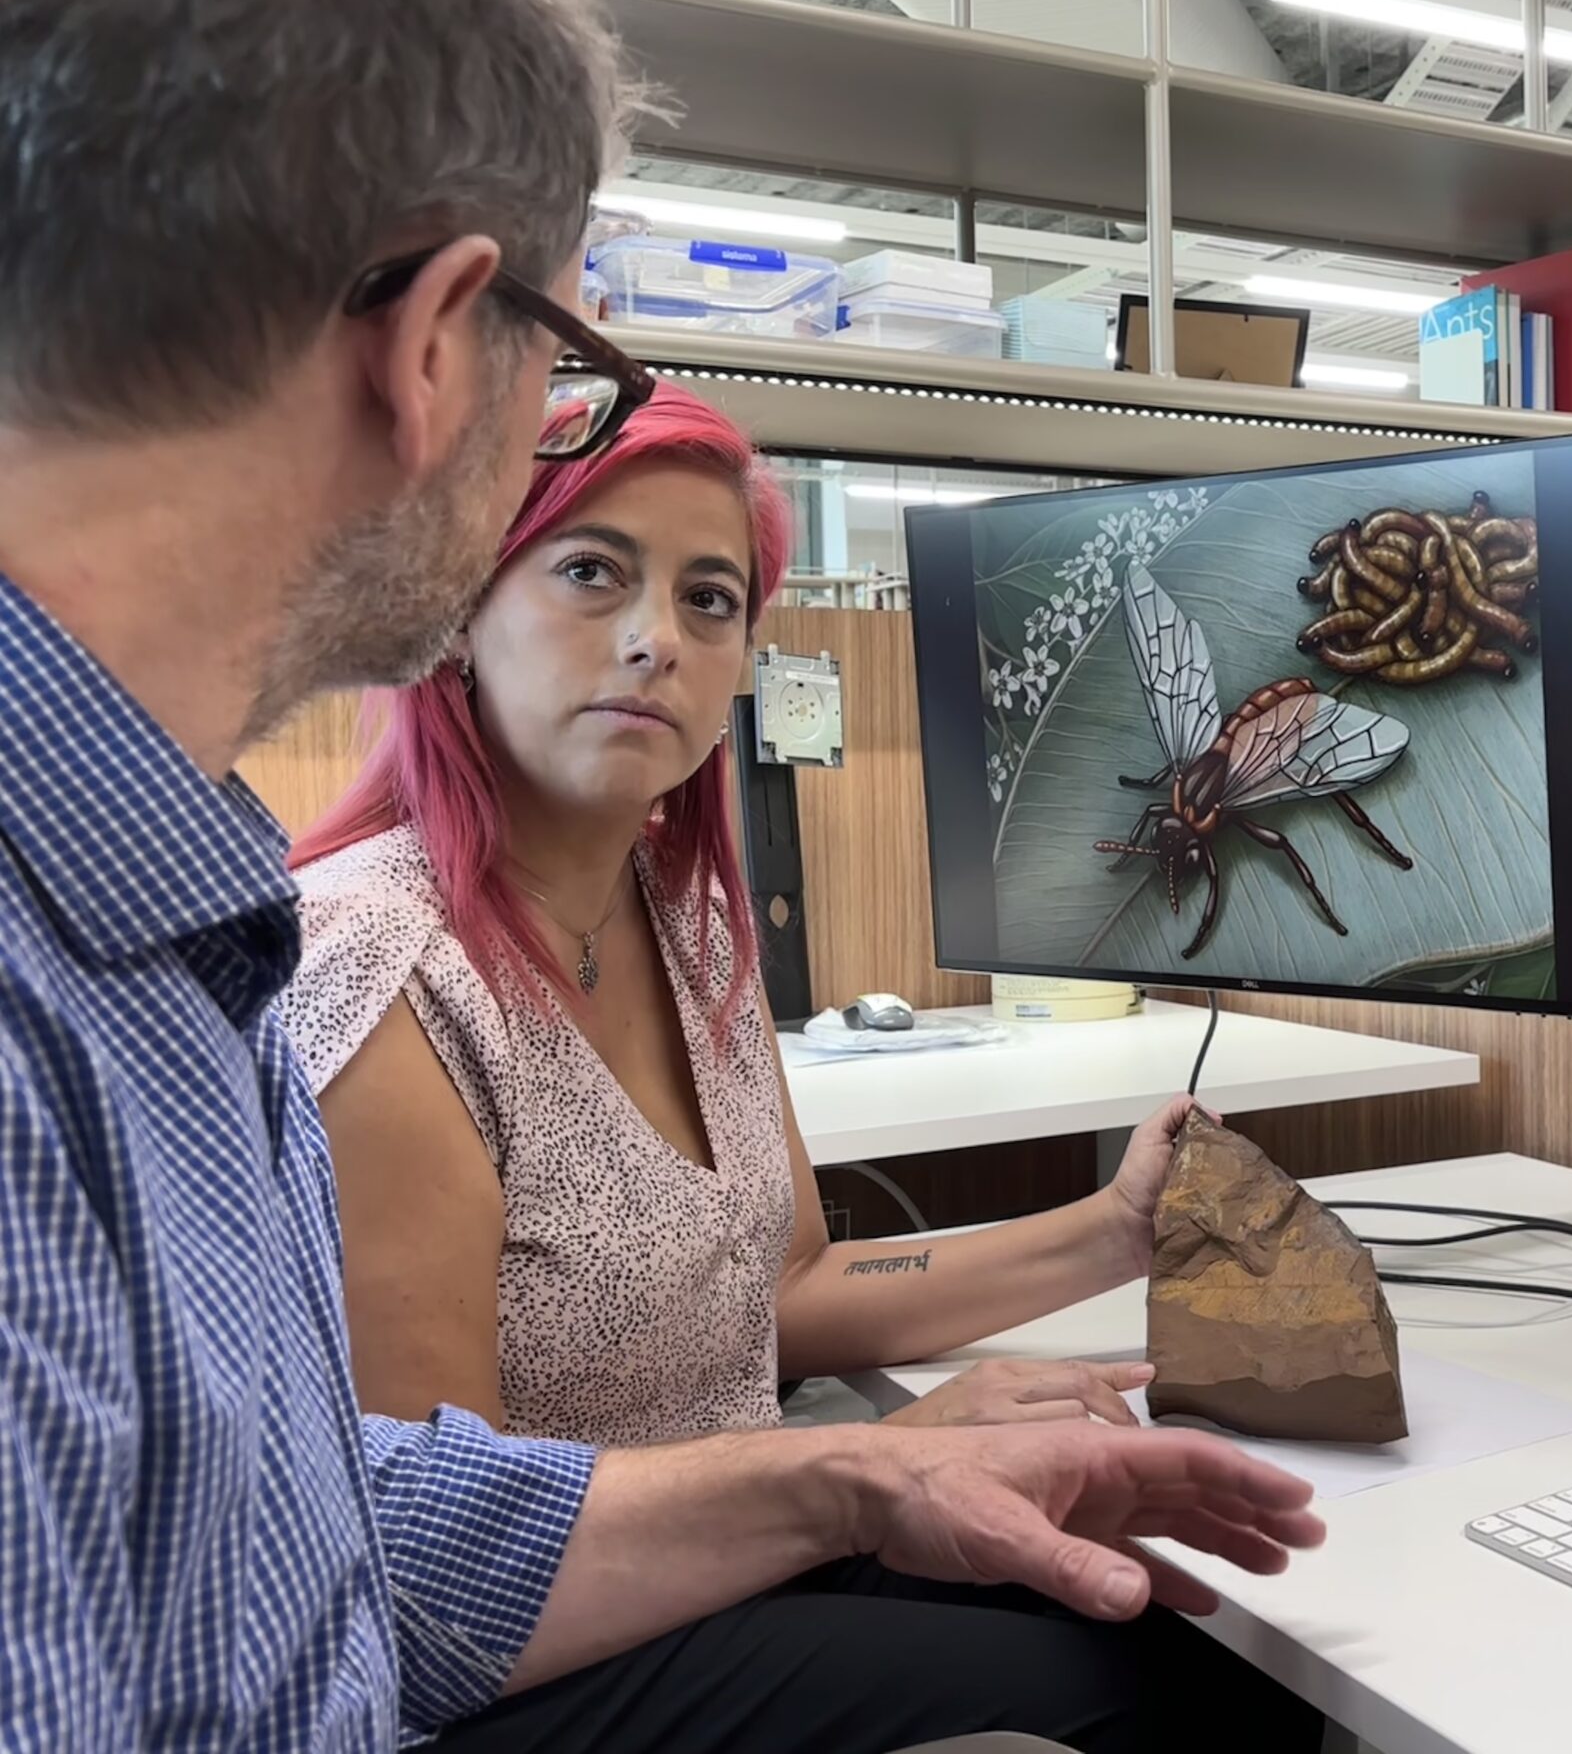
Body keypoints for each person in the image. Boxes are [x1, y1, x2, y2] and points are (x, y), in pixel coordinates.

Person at [0, 0, 1323, 1751]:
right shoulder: (307, 965)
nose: (656, 643)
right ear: (440, 345)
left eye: (713, 600)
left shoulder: (172, 932)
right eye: (573, 374)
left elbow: (318, 1543)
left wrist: (850, 1476)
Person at [281, 386, 1202, 1449]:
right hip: (596, 1607)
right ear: (455, 624)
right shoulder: (371, 963)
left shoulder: (691, 924)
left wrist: (1117, 1230)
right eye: (590, 572)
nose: (654, 639)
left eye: (709, 599)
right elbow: (459, 1544)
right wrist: (880, 1462)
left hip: (762, 1546)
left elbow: (790, 1291)